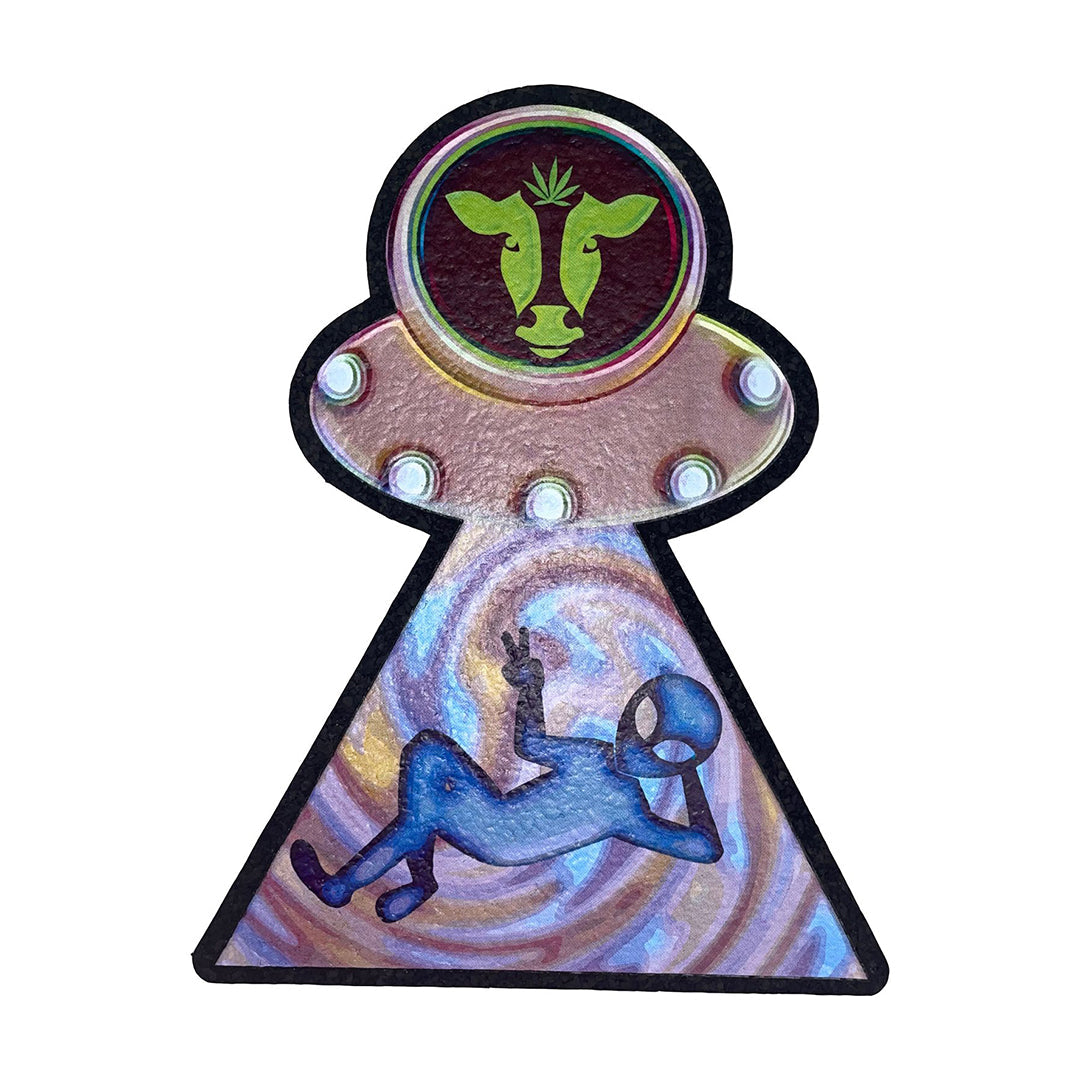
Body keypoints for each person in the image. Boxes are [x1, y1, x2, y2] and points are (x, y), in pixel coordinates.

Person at [291, 628, 722, 922]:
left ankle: (344, 887)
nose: (637, 741)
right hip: (495, 810)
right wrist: (531, 687)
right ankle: (419, 883)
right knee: (427, 753)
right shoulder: (594, 754)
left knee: (423, 814)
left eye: (660, 745)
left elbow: (705, 849)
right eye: (643, 716)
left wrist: (690, 775)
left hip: (501, 841)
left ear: (669, 762)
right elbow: (530, 744)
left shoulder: (629, 812)